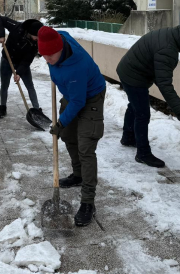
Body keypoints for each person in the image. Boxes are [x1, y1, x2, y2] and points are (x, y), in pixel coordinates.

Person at [38, 26, 106, 227]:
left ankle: (88, 202)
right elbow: (60, 34)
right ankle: (78, 175)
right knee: (68, 136)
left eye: (51, 56)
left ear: (60, 49)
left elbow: (78, 102)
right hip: (72, 93)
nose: (47, 60)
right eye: (43, 55)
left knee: (86, 147)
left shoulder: (77, 66)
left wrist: (60, 123)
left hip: (90, 97)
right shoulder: (60, 39)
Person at [116, 22, 180, 168]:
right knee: (142, 113)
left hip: (128, 69)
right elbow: (164, 84)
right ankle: (143, 154)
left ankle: (128, 137)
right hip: (134, 76)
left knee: (134, 105)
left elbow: (161, 78)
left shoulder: (169, 35)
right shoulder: (167, 50)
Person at [0, 17, 44, 119]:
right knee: (4, 85)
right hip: (7, 60)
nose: (38, 40)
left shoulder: (35, 44)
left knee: (30, 86)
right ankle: (2, 107)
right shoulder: (17, 27)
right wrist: (1, 35)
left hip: (21, 62)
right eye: (37, 37)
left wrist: (19, 73)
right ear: (31, 32)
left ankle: (37, 109)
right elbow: (0, 19)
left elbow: (27, 61)